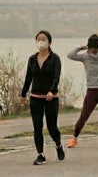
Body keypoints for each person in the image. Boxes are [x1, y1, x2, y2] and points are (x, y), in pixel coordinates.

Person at [20, 30, 64, 166]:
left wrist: (51, 91)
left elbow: (56, 77)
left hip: (51, 98)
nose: (41, 42)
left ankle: (58, 145)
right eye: (38, 39)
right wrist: (23, 94)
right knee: (37, 126)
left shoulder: (55, 59)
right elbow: (28, 78)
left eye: (43, 39)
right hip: (35, 97)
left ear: (49, 42)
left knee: (52, 127)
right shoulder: (32, 59)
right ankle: (41, 155)